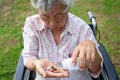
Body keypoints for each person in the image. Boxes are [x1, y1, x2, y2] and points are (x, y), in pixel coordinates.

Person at [21, 0, 103, 80]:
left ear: (67, 9)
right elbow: (29, 56)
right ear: (38, 10)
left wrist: (92, 51)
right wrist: (35, 63)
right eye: (45, 16)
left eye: (58, 16)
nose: (52, 24)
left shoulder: (81, 28)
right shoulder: (32, 24)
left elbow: (96, 69)